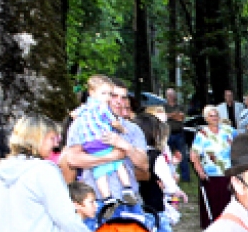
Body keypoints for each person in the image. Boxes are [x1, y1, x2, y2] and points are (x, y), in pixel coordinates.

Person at [62, 77, 150, 218]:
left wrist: (125, 146)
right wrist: (112, 156)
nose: (118, 101)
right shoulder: (81, 124)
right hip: (96, 203)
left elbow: (144, 166)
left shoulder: (132, 129)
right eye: (113, 95)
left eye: (123, 97)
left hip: (129, 201)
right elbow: (72, 159)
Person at [71, 75, 138, 207]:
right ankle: (127, 187)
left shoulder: (85, 109)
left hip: (90, 145)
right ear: (92, 93)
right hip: (102, 141)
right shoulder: (102, 108)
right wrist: (121, 129)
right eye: (108, 94)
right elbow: (72, 159)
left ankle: (107, 198)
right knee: (119, 163)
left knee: (99, 172)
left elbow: (74, 114)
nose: (109, 98)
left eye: (109, 94)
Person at [191, 105, 238, 228]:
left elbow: (239, 146)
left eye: (216, 115)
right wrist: (199, 170)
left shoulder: (228, 130)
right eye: (211, 116)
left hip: (228, 172)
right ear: (206, 118)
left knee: (229, 202)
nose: (214, 118)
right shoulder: (202, 134)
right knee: (213, 204)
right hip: (210, 174)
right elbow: (194, 155)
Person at [164, 87, 190, 182]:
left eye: (172, 95)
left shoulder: (180, 106)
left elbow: (180, 118)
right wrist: (173, 115)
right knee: (166, 156)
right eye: (168, 95)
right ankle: (168, 176)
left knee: (182, 156)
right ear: (166, 96)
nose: (170, 97)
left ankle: (185, 178)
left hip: (179, 134)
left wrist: (170, 115)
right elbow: (163, 117)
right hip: (167, 135)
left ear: (175, 96)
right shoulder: (163, 107)